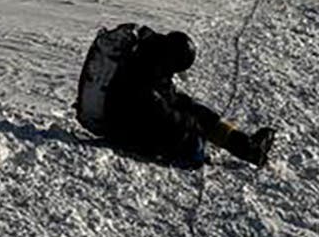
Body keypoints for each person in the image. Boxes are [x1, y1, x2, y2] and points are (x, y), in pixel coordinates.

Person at [74, 25, 275, 168]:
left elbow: (166, 95)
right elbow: (160, 112)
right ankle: (245, 148)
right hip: (122, 128)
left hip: (129, 118)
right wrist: (192, 125)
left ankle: (247, 147)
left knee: (195, 111)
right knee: (192, 144)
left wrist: (193, 111)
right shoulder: (143, 70)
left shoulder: (151, 55)